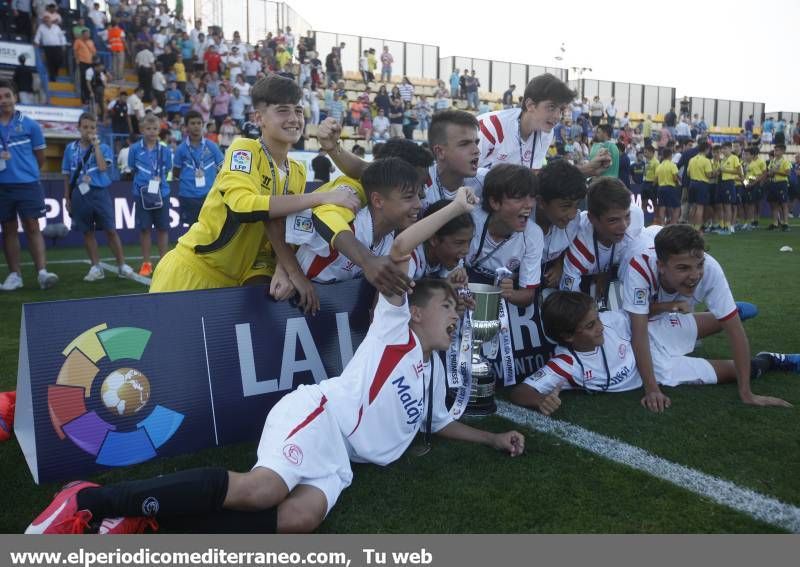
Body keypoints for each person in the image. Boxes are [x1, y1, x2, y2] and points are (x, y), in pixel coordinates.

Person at [26, 188, 523, 536]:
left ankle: (145, 522)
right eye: (448, 309)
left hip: (341, 461)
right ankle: (90, 500)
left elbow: (438, 424)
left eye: (458, 312)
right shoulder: (396, 330)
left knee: (297, 522)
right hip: (320, 416)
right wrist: (456, 205)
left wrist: (493, 437)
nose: (456, 317)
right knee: (262, 491)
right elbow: (398, 248)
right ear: (415, 311)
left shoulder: (433, 371)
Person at [148, 76, 359, 309]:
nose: (293, 119)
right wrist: (321, 196)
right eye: (282, 111)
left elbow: (282, 232)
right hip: (189, 276)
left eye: (298, 111)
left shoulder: (297, 172)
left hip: (233, 289)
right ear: (259, 118)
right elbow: (243, 205)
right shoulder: (244, 149)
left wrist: (284, 269)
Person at [509, 290, 798, 414]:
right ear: (568, 336)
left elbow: (637, 315)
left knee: (734, 314)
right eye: (590, 325)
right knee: (743, 370)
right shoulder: (566, 364)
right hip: (659, 370)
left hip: (650, 336)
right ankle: (772, 359)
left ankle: (730, 315)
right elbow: (520, 393)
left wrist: (668, 307)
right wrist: (540, 402)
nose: (600, 327)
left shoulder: (610, 322)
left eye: (597, 319)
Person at [620, 224, 790, 412]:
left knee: (727, 320)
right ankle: (757, 349)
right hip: (644, 319)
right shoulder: (639, 268)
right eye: (683, 268)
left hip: (657, 323)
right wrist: (652, 388)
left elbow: (735, 332)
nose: (694, 275)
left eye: (699, 264)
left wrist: (746, 393)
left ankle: (730, 311)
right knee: (643, 335)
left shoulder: (710, 269)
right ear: (660, 266)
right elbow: (638, 327)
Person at [294, 158, 421, 284]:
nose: (419, 205)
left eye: (419, 196)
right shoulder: (345, 222)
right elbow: (285, 226)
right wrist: (291, 273)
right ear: (377, 201)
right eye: (409, 197)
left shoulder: (391, 241)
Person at [477, 74, 609, 176]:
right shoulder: (490, 127)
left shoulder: (545, 132)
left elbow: (533, 178)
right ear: (530, 105)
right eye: (551, 107)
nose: (558, 116)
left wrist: (585, 170)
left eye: (561, 110)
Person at [0, 79, 58, 291]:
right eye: (0, 97)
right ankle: (15, 275)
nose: (4, 100)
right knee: (8, 229)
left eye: (7, 95)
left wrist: (27, 172)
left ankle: (42, 272)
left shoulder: (30, 124)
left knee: (33, 226)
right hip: (2, 186)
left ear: (15, 97)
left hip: (28, 184)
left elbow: (40, 157)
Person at [62, 113, 134, 282]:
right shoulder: (70, 149)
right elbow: (67, 175)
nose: (89, 130)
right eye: (85, 127)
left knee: (110, 229)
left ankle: (122, 265)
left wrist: (96, 147)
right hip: (79, 194)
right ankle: (96, 267)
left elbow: (103, 168)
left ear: (97, 130)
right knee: (87, 232)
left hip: (100, 193)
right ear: (78, 128)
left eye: (92, 127)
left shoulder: (103, 147)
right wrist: (67, 196)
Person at [466, 164, 542, 307]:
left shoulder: (533, 235)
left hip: (491, 302)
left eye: (532, 197)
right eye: (519, 198)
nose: (530, 205)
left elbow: (528, 295)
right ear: (494, 202)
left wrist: (510, 294)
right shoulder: (471, 219)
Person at [559, 177, 645, 301]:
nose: (624, 226)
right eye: (613, 220)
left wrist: (606, 273)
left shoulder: (636, 218)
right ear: (592, 219)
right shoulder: (579, 249)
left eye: (627, 216)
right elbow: (570, 300)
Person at [128, 114, 173, 277]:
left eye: (155, 129)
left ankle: (163, 263)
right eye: (148, 128)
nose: (152, 132)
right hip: (141, 193)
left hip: (162, 193)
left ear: (159, 129)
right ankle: (146, 263)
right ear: (142, 129)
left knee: (162, 228)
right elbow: (132, 167)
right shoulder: (134, 149)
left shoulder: (165, 150)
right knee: (144, 229)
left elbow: (167, 168)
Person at [536, 160, 586, 288]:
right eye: (565, 206)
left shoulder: (574, 222)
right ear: (541, 202)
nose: (572, 214)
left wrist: (559, 265)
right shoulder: (520, 223)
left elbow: (566, 247)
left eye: (576, 206)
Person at [172, 111, 224, 227]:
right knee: (192, 230)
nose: (196, 126)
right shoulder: (181, 149)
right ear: (186, 127)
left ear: (202, 125)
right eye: (192, 123)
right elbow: (176, 172)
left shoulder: (212, 146)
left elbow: (222, 167)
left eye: (198, 123)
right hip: (188, 195)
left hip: (209, 194)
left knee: (211, 228)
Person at [687, 140, 714, 230]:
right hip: (702, 184)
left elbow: (688, 173)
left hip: (692, 183)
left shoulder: (692, 159)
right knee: (700, 207)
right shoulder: (706, 161)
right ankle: (697, 227)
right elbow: (709, 175)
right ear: (706, 149)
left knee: (693, 207)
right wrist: (716, 172)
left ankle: (690, 226)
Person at [766, 143, 791, 231]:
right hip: (773, 183)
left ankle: (786, 223)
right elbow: (769, 172)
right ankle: (775, 223)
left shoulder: (785, 161)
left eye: (777, 150)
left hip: (781, 183)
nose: (775, 152)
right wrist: (770, 173)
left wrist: (776, 172)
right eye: (775, 150)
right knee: (774, 204)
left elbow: (788, 173)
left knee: (784, 203)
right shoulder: (773, 161)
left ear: (783, 151)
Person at [655, 148, 680, 225]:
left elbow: (655, 180)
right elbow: (675, 177)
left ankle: (662, 224)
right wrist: (678, 183)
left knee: (662, 207)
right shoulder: (672, 165)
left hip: (661, 188)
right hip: (670, 187)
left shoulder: (659, 166)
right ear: (670, 155)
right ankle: (673, 224)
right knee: (677, 207)